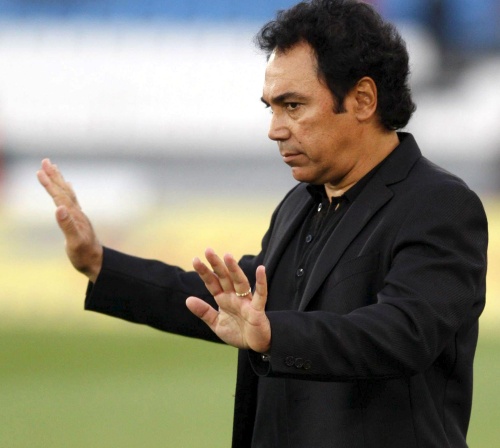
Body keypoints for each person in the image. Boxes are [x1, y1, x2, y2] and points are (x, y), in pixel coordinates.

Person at [37, 1, 488, 447]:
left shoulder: (439, 204)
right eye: (271, 108)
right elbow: (233, 302)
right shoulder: (300, 203)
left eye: (293, 106)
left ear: (363, 99)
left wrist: (275, 335)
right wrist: (98, 263)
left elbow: (403, 334)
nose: (275, 129)